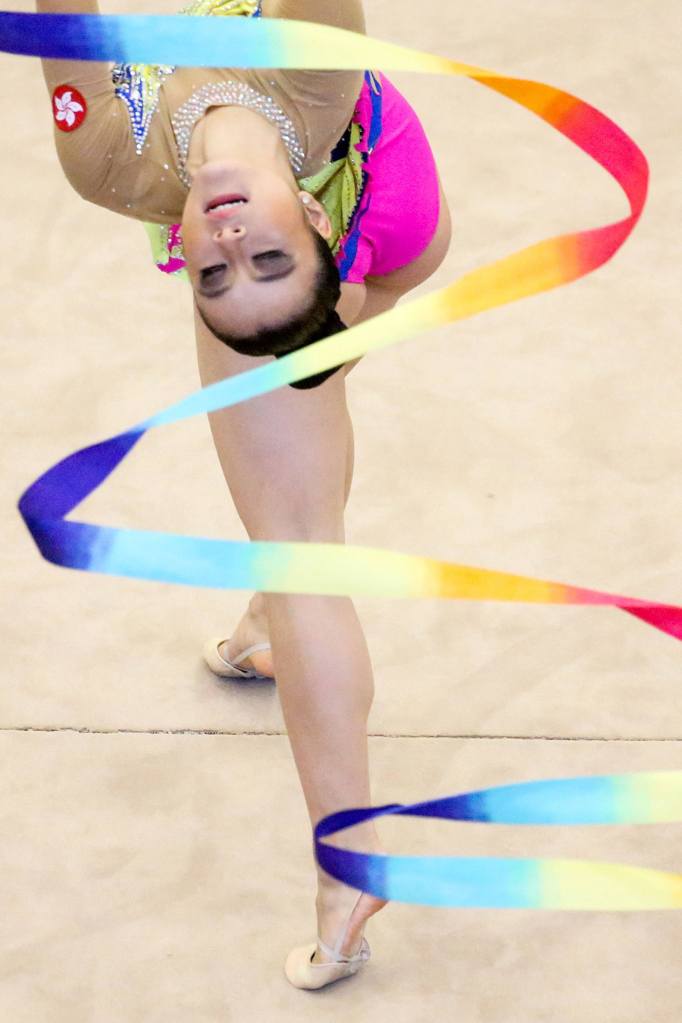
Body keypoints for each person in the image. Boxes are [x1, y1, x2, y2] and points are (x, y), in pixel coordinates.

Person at [37, 0, 452, 989]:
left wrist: (281, 275)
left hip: (380, 226)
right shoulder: (309, 72)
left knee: (294, 530)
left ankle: (343, 868)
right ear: (311, 224)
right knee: (301, 503)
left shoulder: (108, 160)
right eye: (247, 260)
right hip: (387, 207)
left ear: (179, 245)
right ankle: (279, 657)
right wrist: (280, 279)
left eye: (215, 269)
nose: (226, 240)